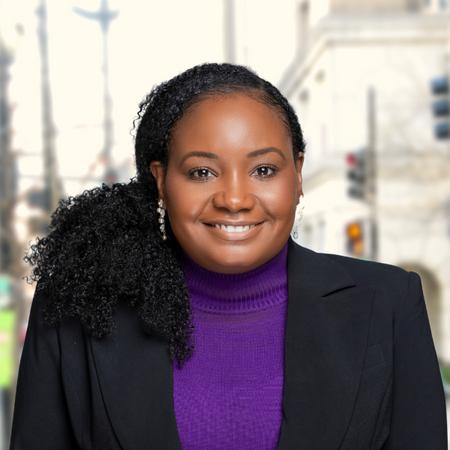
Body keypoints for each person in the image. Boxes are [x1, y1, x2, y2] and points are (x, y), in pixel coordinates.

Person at [9, 62, 447, 450]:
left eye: (263, 170)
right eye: (202, 172)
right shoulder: (76, 309)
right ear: (161, 181)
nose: (234, 199)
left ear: (297, 174)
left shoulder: (388, 304)